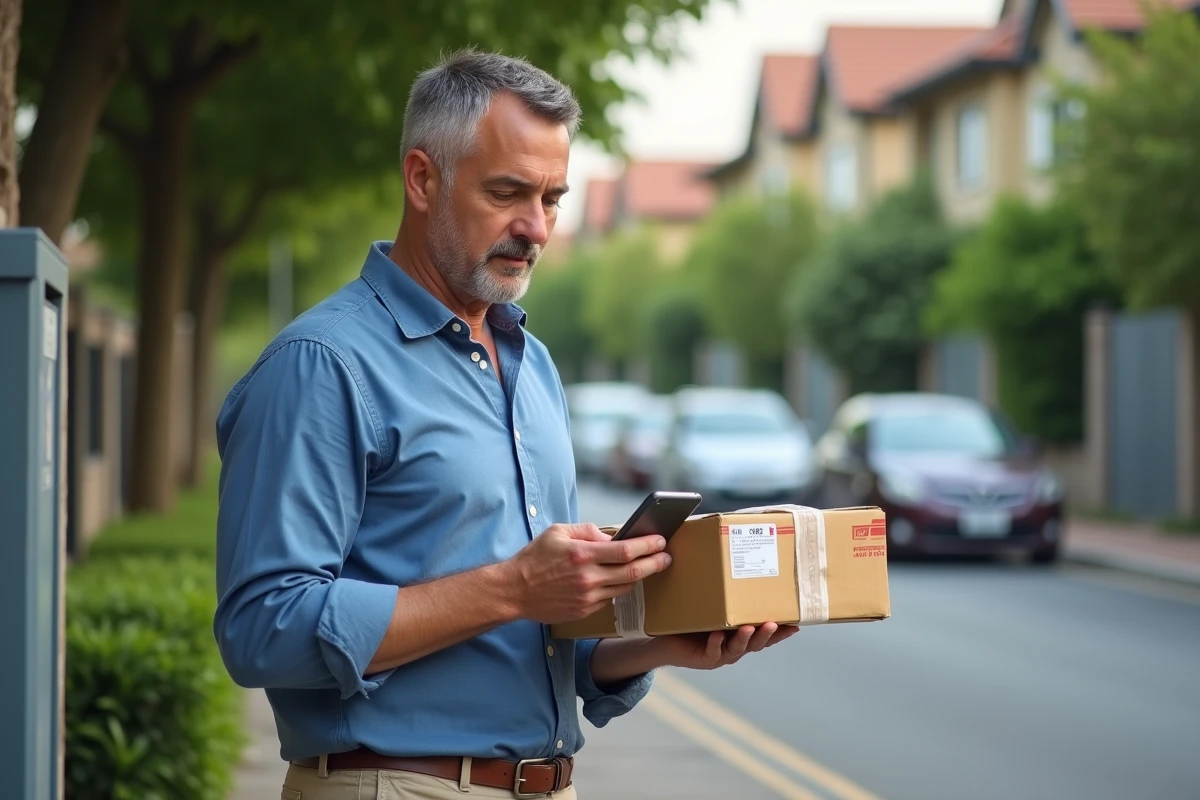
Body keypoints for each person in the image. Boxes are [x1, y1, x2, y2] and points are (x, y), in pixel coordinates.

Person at [213, 49, 798, 800]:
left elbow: (540, 637)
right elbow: (262, 631)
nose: (537, 228)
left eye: (553, 197)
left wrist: (655, 646)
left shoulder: (533, 365)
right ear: (423, 179)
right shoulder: (319, 365)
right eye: (507, 192)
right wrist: (514, 587)